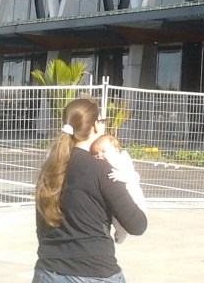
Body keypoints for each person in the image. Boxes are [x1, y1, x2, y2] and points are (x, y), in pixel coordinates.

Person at [33, 96, 148, 283]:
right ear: (95, 126)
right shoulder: (103, 171)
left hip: (48, 270)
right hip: (94, 271)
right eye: (101, 121)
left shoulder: (50, 168)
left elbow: (41, 225)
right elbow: (137, 225)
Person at [90, 133, 148, 243]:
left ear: (116, 150)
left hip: (134, 200)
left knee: (127, 217)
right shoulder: (104, 166)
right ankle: (120, 233)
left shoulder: (122, 161)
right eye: (96, 153)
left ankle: (122, 232)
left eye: (103, 151)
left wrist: (121, 176)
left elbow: (135, 176)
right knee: (116, 219)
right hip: (119, 202)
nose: (99, 155)